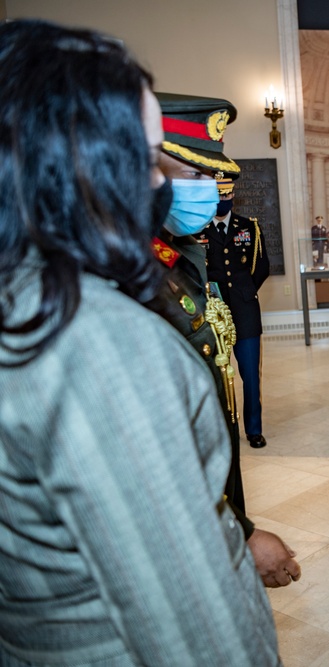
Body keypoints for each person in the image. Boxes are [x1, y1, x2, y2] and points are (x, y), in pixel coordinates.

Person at [0, 19, 280, 664]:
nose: (162, 181)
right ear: (86, 162)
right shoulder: (96, 345)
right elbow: (187, 627)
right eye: (150, 155)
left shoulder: (27, 294)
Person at [152, 91, 298, 586]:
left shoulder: (171, 263)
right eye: (194, 176)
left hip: (244, 312)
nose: (210, 191)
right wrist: (238, 530)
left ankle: (252, 426)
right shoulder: (136, 279)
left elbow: (255, 269)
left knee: (245, 384)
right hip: (182, 549)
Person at [206, 173, 271, 449]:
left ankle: (253, 430)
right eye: (218, 196)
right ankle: (223, 431)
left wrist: (245, 292)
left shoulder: (249, 227)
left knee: (250, 377)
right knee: (218, 376)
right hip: (214, 314)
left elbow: (261, 266)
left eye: (227, 195)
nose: (223, 200)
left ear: (233, 195)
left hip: (245, 314)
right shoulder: (197, 230)